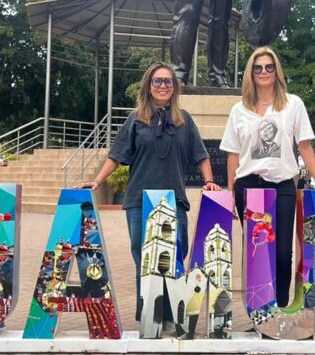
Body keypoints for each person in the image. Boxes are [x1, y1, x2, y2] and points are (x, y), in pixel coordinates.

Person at [79, 61, 220, 322]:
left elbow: (201, 155)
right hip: (138, 200)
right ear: (148, 86)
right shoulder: (136, 120)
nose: (163, 86)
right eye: (158, 81)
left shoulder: (184, 120)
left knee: (175, 253)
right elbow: (116, 156)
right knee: (143, 254)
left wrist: (209, 181)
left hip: (173, 199)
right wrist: (97, 181)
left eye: (168, 81)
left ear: (174, 88)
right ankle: (149, 313)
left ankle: (170, 312)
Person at [220, 47, 315, 307]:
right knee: (258, 253)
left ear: (276, 71)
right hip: (248, 187)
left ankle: (279, 308)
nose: (264, 72)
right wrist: (229, 191)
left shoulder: (293, 104)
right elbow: (233, 156)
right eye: (258, 68)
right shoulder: (239, 109)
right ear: (251, 73)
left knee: (282, 253)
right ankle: (260, 312)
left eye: (269, 67)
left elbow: (304, 145)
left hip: (281, 186)